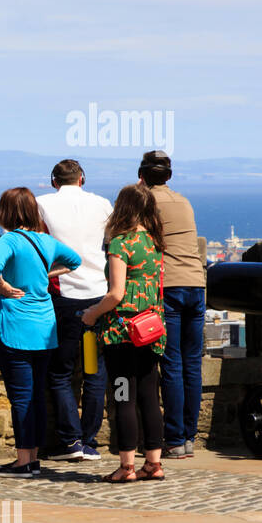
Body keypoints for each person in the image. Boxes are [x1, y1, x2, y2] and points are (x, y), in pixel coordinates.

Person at [0, 188, 81, 478]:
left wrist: (2, 286)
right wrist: (44, 276)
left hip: (15, 327)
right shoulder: (46, 241)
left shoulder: (10, 240)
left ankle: (23, 460)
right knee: (37, 394)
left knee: (21, 398)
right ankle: (33, 457)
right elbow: (74, 261)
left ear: (6, 212)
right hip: (44, 329)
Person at [80, 184, 168, 482]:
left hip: (122, 334)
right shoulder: (155, 242)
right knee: (149, 396)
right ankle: (154, 464)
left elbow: (116, 294)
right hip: (151, 330)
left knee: (123, 397)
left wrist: (91, 314)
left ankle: (127, 466)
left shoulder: (121, 243)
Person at [36, 159, 114, 463]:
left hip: (64, 297)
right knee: (93, 369)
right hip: (97, 296)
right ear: (81, 179)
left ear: (54, 181)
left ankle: (71, 441)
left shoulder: (43, 204)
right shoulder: (102, 204)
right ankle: (90, 439)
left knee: (61, 372)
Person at [140, 150, 205, 459]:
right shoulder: (184, 202)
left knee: (171, 363)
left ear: (142, 176)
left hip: (167, 287)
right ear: (169, 175)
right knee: (192, 362)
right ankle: (190, 436)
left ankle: (175, 438)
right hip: (196, 284)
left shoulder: (144, 202)